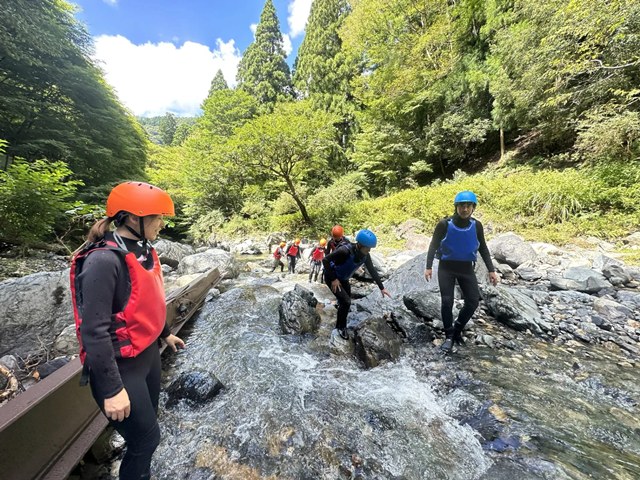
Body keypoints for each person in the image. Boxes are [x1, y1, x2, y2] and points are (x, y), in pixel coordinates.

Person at [70, 181, 185, 480]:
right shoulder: (103, 260)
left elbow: (150, 300)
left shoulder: (145, 250)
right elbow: (93, 330)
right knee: (147, 440)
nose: (161, 223)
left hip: (147, 356)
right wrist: (111, 389)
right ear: (135, 218)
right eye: (157, 217)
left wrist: (165, 333)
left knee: (146, 434)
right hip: (121, 367)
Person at [424, 190, 499, 353]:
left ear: (473, 207)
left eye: (468, 206)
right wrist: (428, 267)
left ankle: (457, 328)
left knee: (473, 301)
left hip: (466, 268)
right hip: (446, 267)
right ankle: (449, 335)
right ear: (456, 207)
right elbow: (433, 245)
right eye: (461, 206)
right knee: (447, 301)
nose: (465, 209)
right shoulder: (444, 224)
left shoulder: (477, 225)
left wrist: (491, 270)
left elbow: (483, 248)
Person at [322, 229, 391, 339]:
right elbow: (325, 260)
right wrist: (334, 279)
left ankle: (340, 317)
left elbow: (372, 271)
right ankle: (340, 328)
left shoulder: (365, 255)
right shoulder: (344, 251)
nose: (369, 250)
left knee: (345, 302)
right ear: (360, 245)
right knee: (346, 301)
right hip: (331, 277)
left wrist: (382, 288)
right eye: (367, 248)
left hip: (343, 278)